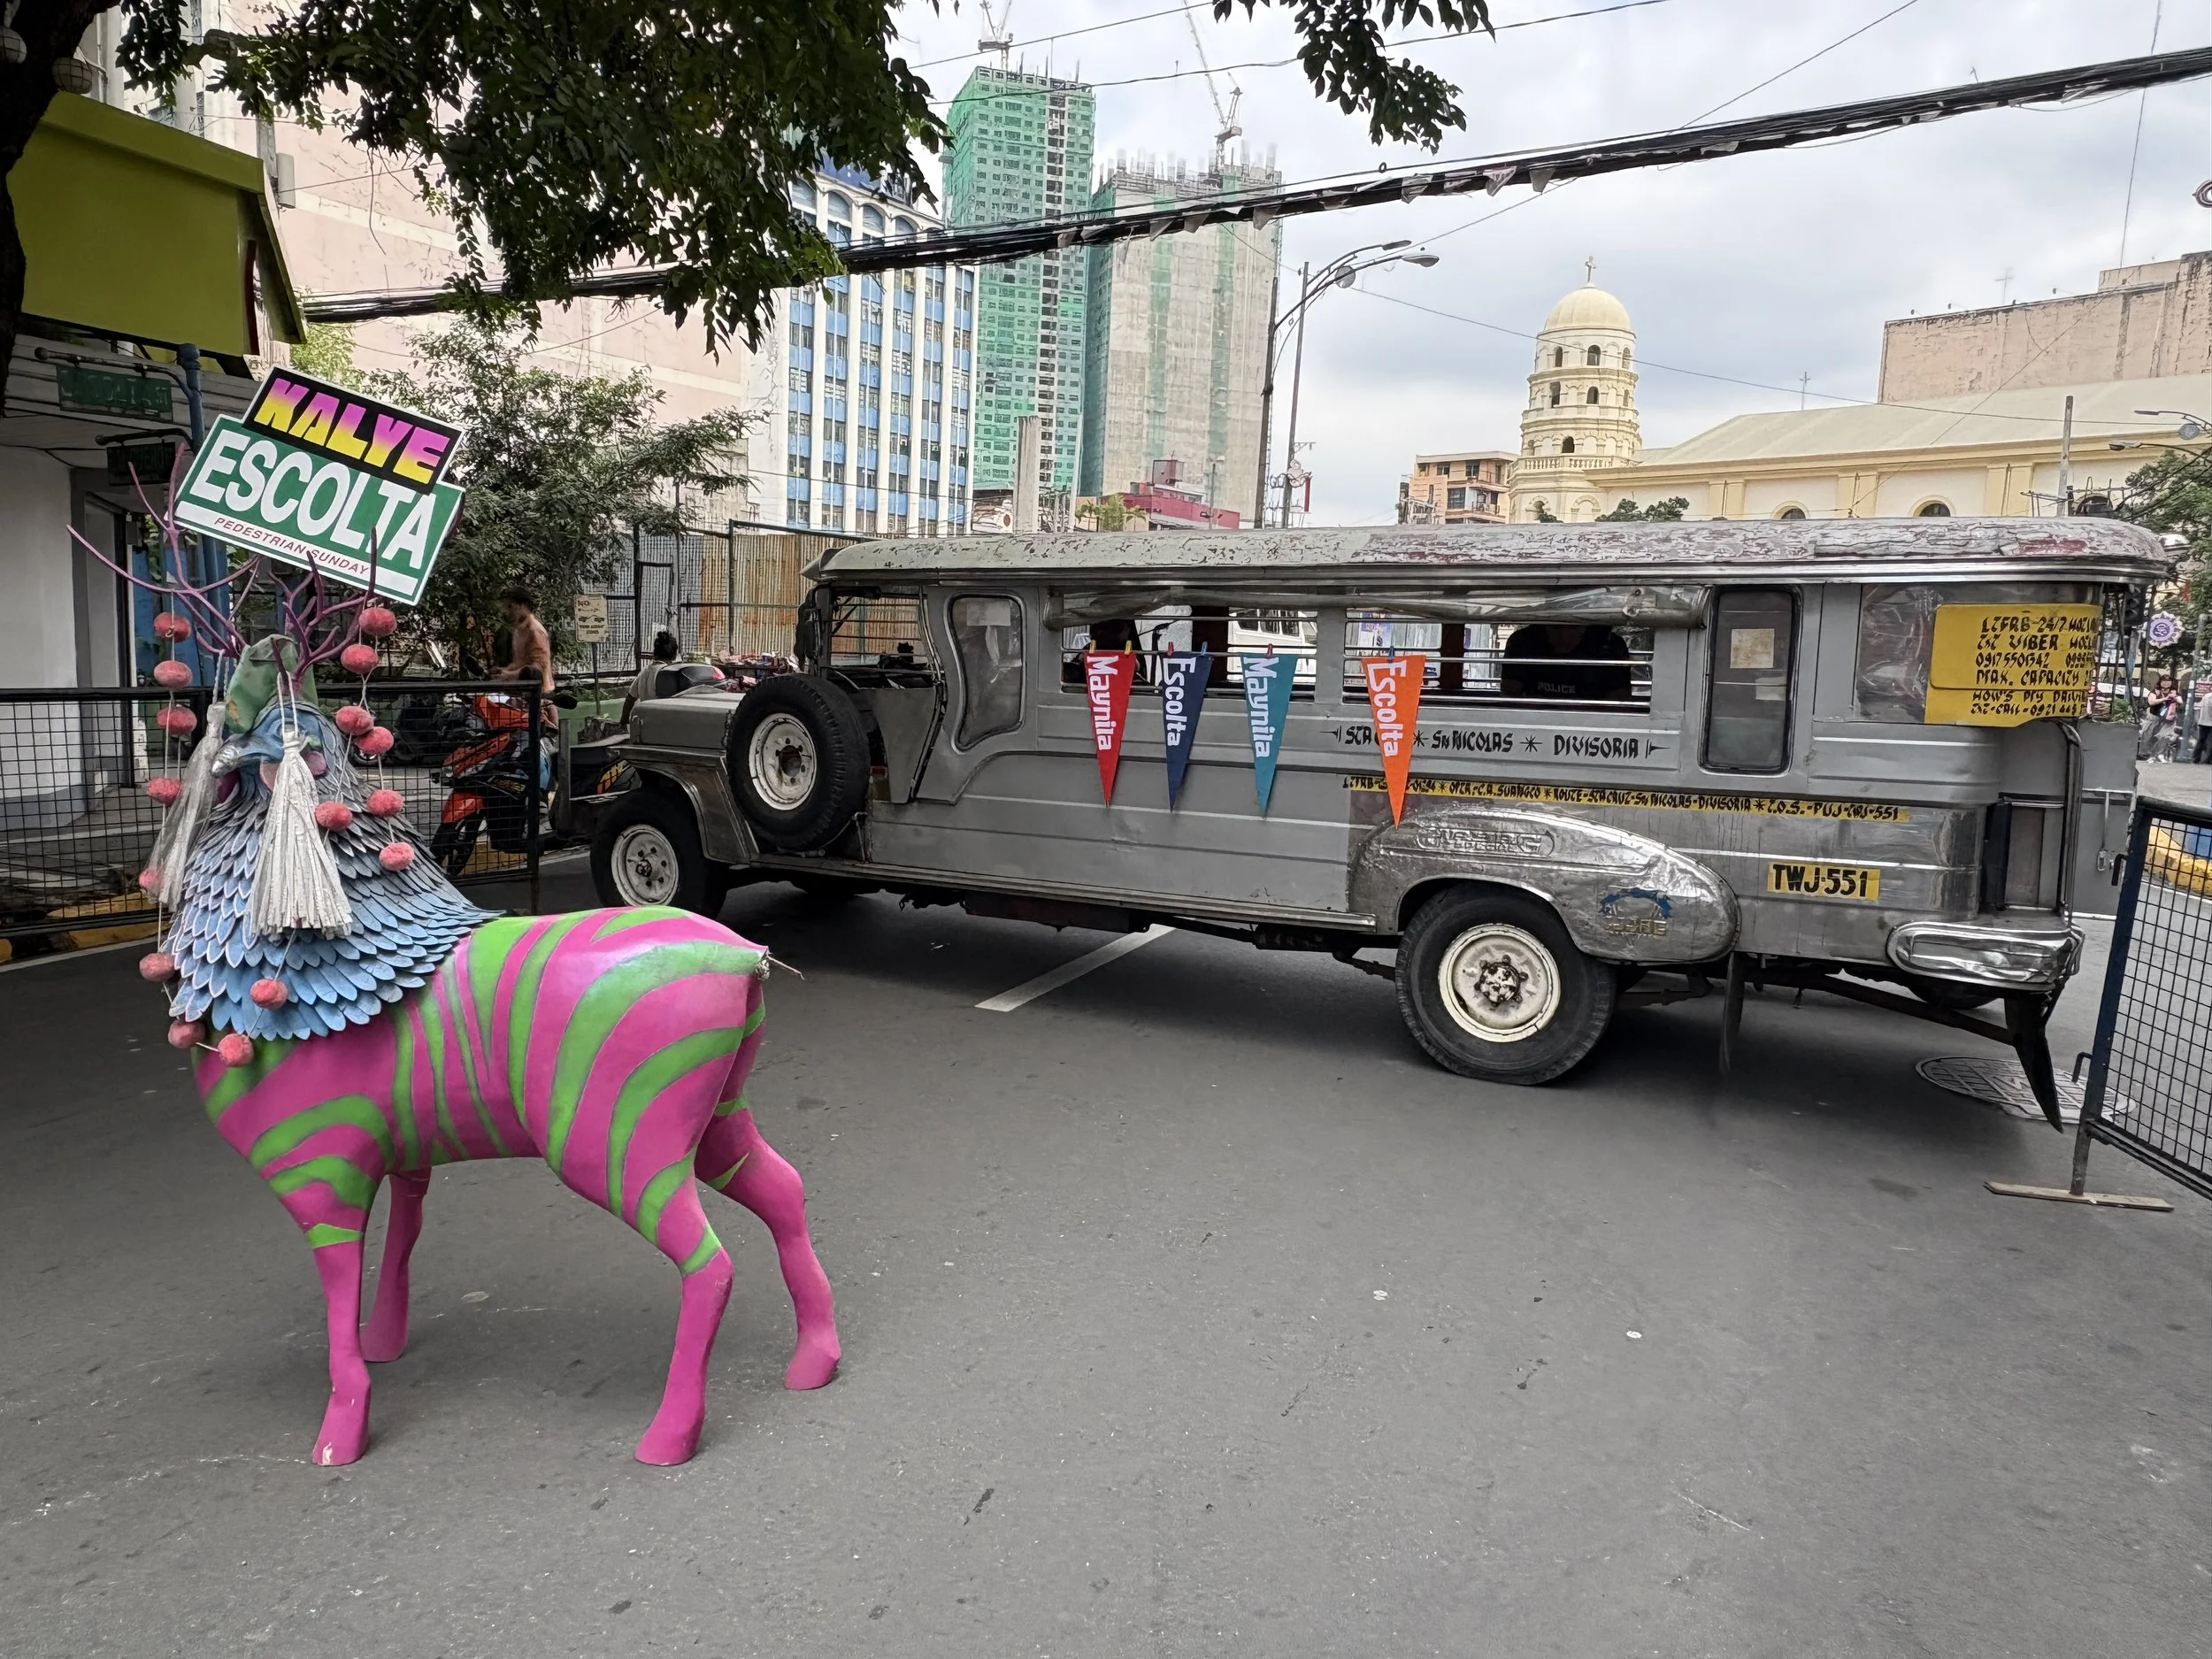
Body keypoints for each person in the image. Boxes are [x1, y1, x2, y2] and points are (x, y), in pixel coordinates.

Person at [1498, 623, 1632, 703]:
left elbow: (1619, 699)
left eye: (1574, 627)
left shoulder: (1610, 645)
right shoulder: (1522, 642)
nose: (1564, 636)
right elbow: (1510, 693)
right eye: (1555, 627)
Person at [495, 585, 555, 695]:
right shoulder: (519, 630)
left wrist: (509, 675)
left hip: (539, 693)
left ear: (521, 605)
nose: (506, 612)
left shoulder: (535, 630)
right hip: (524, 690)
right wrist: (504, 671)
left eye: (510, 606)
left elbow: (538, 668)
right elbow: (521, 662)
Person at [620, 630, 681, 724]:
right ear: (674, 656)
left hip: (644, 722)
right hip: (661, 722)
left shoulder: (644, 671)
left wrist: (624, 720)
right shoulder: (667, 672)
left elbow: (630, 698)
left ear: (655, 653)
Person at [2140, 676, 2182, 762]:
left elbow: (2180, 701)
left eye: (2168, 681)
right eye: (2164, 681)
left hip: (2168, 720)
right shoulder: (2155, 691)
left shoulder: (2174, 692)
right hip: (2154, 717)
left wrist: (2174, 698)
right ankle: (2146, 754)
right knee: (2149, 736)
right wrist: (2164, 699)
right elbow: (2151, 702)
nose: (2166, 683)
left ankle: (2158, 755)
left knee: (2164, 737)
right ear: (2160, 682)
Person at [2193, 681, 2212, 764]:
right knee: (2210, 742)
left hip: (2203, 721)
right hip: (2210, 722)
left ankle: (2196, 758)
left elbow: (2199, 708)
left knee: (2201, 740)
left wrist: (2197, 719)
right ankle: (2208, 759)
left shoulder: (2206, 696)